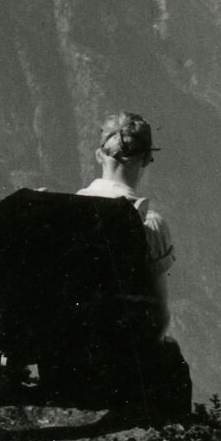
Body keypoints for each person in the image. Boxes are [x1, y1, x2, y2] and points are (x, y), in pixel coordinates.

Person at [78, 112, 176, 327]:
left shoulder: (66, 207)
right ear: (146, 160)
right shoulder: (149, 223)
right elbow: (159, 316)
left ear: (98, 155)